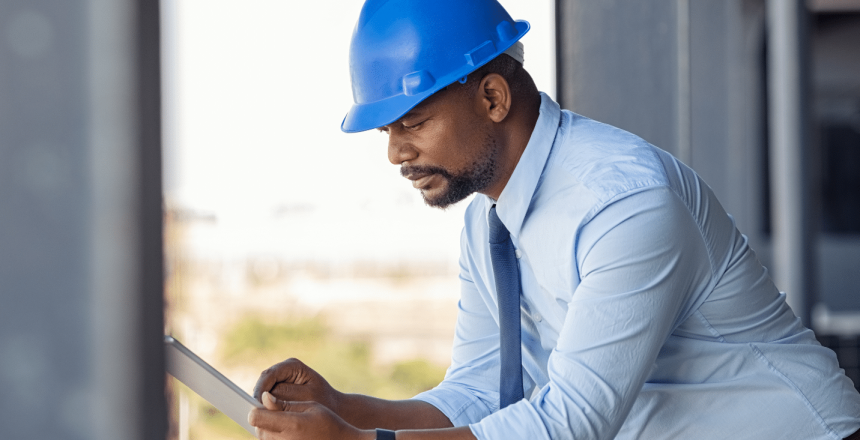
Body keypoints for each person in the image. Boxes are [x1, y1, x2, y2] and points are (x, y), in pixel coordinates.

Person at [248, 0, 860, 439]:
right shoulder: (488, 224)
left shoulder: (623, 203)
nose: (395, 153)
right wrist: (347, 409)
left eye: (412, 123)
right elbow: (483, 394)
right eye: (386, 131)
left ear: (492, 98)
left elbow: (571, 422)